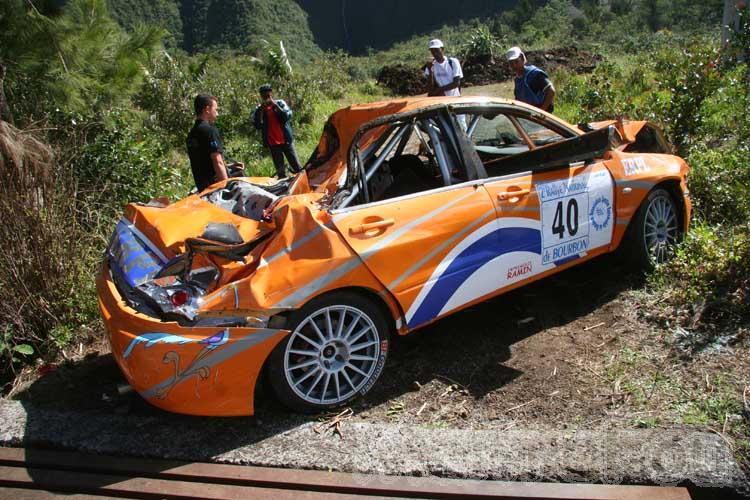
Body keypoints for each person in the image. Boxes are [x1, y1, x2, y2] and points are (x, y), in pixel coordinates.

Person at [186, 94, 239, 192]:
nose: (217, 113)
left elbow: (203, 160)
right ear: (207, 109)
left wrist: (230, 166)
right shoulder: (209, 131)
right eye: (216, 109)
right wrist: (227, 188)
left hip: (202, 187)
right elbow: (217, 161)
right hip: (216, 186)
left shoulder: (191, 134)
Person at [252, 84, 302, 179]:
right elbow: (257, 124)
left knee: (297, 167)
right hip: (273, 143)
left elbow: (287, 116)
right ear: (261, 96)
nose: (267, 98)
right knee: (280, 171)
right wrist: (262, 111)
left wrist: (275, 106)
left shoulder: (280, 103)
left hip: (286, 140)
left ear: (271, 94)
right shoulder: (259, 109)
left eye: (268, 95)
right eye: (264, 96)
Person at [505, 46, 555, 113]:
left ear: (522, 58)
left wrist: (541, 111)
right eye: (511, 63)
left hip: (542, 115)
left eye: (516, 62)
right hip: (529, 115)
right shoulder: (518, 80)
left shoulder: (534, 74)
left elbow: (551, 91)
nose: (514, 66)